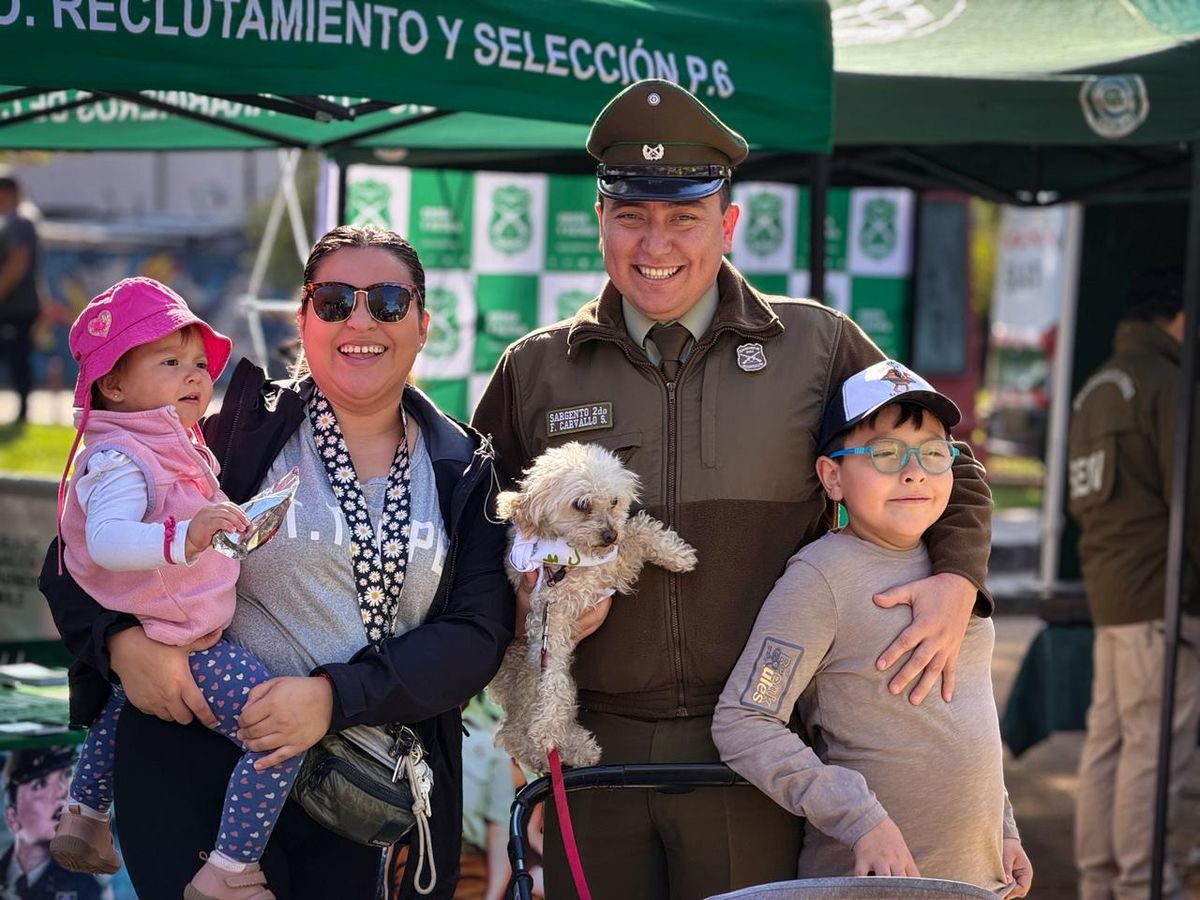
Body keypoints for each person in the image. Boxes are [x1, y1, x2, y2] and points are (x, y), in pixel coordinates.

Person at [471, 79, 993, 899]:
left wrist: (958, 579)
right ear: (600, 220)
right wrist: (520, 615)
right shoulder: (536, 367)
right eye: (633, 215)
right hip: (590, 745)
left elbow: (946, 465)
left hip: (759, 747)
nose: (657, 243)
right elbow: (476, 526)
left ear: (728, 222)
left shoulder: (818, 346)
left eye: (683, 216)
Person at [39, 226, 514, 900]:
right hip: (192, 763)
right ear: (302, 319)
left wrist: (329, 699)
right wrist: (122, 643)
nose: (360, 319)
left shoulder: (464, 467)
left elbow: (477, 636)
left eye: (386, 301)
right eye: (333, 301)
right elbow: (77, 547)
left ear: (423, 324)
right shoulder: (226, 430)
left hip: (359, 792)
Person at [713, 360, 1032, 897]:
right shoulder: (819, 579)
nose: (914, 472)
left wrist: (1002, 827)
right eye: (885, 454)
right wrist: (857, 816)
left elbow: (969, 713)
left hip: (978, 880)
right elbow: (744, 720)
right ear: (832, 477)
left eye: (933, 453)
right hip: (872, 885)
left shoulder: (956, 573)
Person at [49, 276, 306, 899]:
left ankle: (84, 813)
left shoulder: (167, 443)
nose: (194, 376)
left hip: (167, 633)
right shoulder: (120, 458)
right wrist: (183, 537)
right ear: (113, 382)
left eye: (198, 363)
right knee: (276, 735)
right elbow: (107, 540)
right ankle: (229, 868)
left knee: (123, 699)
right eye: (170, 362)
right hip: (188, 641)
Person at [1068, 266, 1200, 900]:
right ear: (1178, 316)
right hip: (1160, 599)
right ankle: (1146, 886)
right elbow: (1193, 504)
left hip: (1111, 593)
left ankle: (1101, 883)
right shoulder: (1167, 384)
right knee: (1153, 751)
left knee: (1109, 744)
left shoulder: (1095, 387)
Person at [1, 748, 104, 900]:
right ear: (13, 818)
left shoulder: (86, 887)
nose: (61, 793)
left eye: (65, 776)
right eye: (40, 784)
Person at [0, 175, 42, 425]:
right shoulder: (17, 222)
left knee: (18, 359)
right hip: (18, 306)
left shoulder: (18, 222)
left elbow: (17, 263)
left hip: (15, 308)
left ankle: (23, 412)